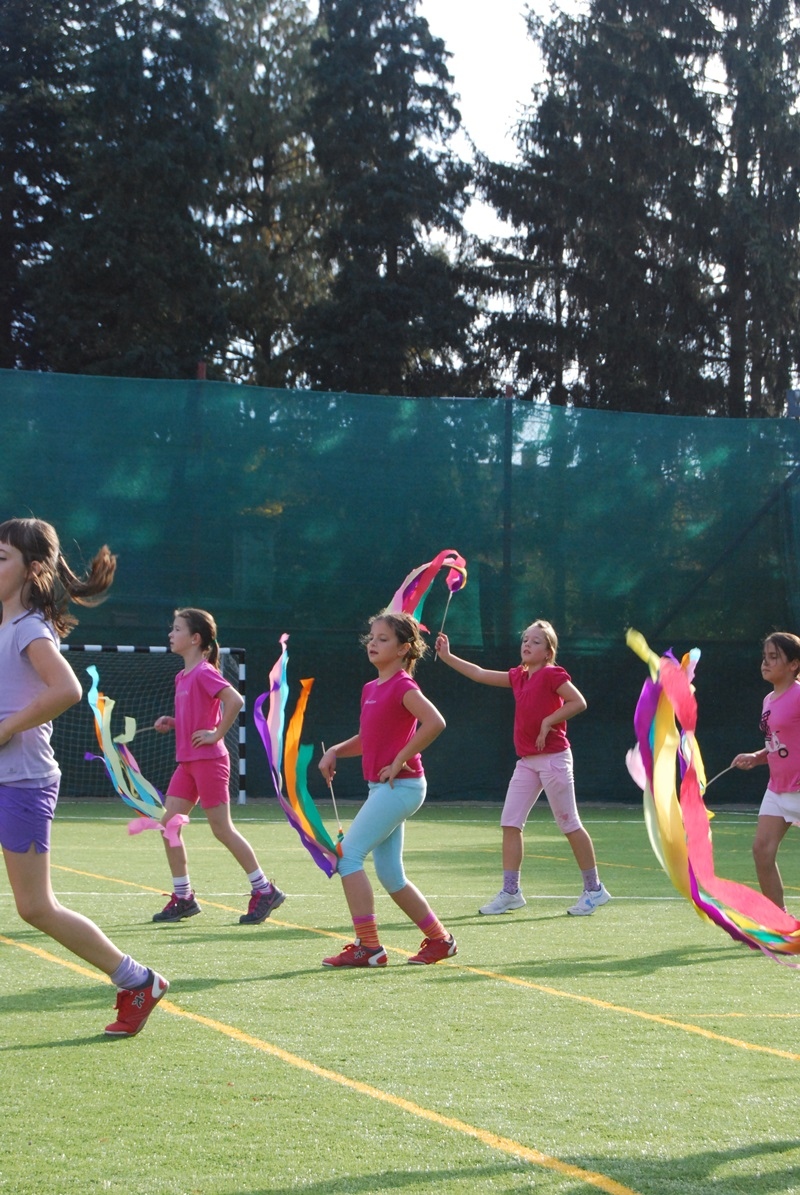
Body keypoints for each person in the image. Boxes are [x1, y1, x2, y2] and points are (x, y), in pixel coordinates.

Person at [0, 517, 168, 1036]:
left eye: (1, 558)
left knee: (36, 907)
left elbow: (68, 690)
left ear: (33, 569)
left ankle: (138, 979)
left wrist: (5, 728)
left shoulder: (29, 628)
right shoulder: (7, 624)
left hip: (21, 782)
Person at [435, 620, 611, 917]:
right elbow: (479, 674)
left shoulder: (553, 674)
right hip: (527, 761)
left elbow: (578, 701)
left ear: (548, 652)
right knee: (510, 823)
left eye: (536, 641)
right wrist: (448, 656)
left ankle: (594, 889)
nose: (527, 645)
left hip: (554, 759)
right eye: (525, 640)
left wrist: (548, 722)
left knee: (569, 824)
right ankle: (511, 893)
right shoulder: (519, 676)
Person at [317, 611, 456, 967]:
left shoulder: (403, 686)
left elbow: (435, 722)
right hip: (384, 789)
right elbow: (368, 739)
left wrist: (400, 758)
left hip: (403, 787)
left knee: (346, 856)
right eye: (372, 637)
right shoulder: (371, 688)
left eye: (383, 639)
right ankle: (441, 940)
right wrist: (335, 751)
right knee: (391, 875)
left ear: (404, 648)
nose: (373, 644)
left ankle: (369, 947)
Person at [153, 607, 285, 924]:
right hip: (188, 763)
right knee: (169, 826)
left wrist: (216, 734)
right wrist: (174, 722)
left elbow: (235, 700)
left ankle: (264, 890)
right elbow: (196, 716)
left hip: (209, 761)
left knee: (221, 829)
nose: (171, 634)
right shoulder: (182, 676)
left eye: (177, 629)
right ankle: (184, 897)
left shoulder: (204, 672)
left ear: (195, 638)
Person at [731, 631, 800, 912]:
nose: (765, 662)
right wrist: (757, 757)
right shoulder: (769, 700)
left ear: (794, 664)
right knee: (762, 851)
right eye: (764, 657)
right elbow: (778, 743)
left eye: (774, 657)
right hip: (777, 788)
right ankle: (780, 923)